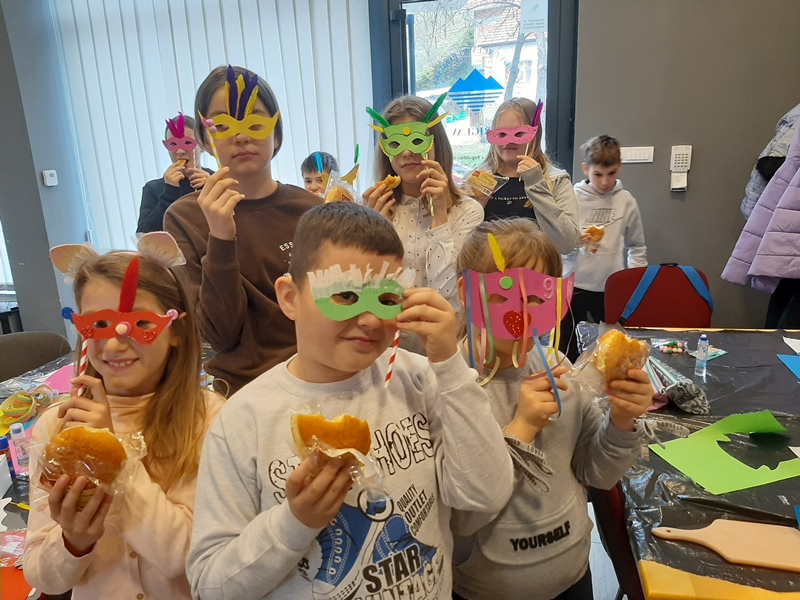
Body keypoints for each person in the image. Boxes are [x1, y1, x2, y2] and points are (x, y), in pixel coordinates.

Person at [186, 202, 514, 599]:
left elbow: (486, 494)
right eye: (345, 295)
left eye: (386, 299)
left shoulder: (420, 379)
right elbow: (210, 586)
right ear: (290, 297)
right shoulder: (245, 420)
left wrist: (449, 366)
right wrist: (294, 523)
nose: (371, 320)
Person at [451, 218, 653, 600]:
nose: (523, 313)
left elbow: (597, 473)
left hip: (573, 577)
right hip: (487, 590)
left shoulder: (559, 367)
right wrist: (521, 429)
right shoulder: (449, 388)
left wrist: (622, 420)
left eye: (537, 298)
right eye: (504, 294)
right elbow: (462, 518)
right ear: (469, 293)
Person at [25, 236, 225, 600]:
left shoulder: (209, 419)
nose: (114, 344)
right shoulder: (59, 424)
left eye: (139, 323)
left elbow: (182, 557)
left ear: (177, 331)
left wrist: (113, 453)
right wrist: (73, 543)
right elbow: (44, 578)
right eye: (98, 324)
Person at [165, 65, 320, 395]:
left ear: (276, 134)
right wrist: (221, 237)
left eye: (255, 122)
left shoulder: (311, 209)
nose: (241, 136)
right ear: (205, 141)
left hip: (320, 376)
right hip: (242, 391)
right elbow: (220, 335)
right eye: (222, 125)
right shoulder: (184, 218)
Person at [362, 94, 484, 313]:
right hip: (390, 328)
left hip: (444, 330)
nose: (407, 152)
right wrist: (374, 234)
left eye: (417, 141)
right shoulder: (372, 208)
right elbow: (366, 289)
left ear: (437, 144)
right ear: (384, 150)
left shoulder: (467, 211)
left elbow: (447, 292)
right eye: (395, 143)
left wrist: (439, 215)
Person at [560, 135, 647, 361]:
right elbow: (559, 247)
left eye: (612, 173)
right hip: (574, 285)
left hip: (611, 288)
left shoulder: (626, 201)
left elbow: (637, 247)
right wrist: (574, 242)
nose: (605, 182)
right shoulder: (572, 199)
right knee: (567, 348)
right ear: (585, 169)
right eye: (598, 174)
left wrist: (633, 284)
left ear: (619, 168)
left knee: (610, 350)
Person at [478, 98, 579, 255]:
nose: (508, 141)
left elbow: (566, 244)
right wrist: (475, 207)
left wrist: (537, 186)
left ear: (535, 134)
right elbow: (462, 243)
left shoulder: (556, 180)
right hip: (487, 269)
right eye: (501, 134)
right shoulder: (477, 179)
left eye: (519, 133)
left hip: (537, 269)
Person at [137, 113, 213, 233]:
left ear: (202, 145)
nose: (180, 151)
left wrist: (212, 189)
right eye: (173, 144)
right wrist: (169, 193)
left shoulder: (218, 180)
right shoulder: (154, 189)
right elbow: (144, 235)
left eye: (188, 143)